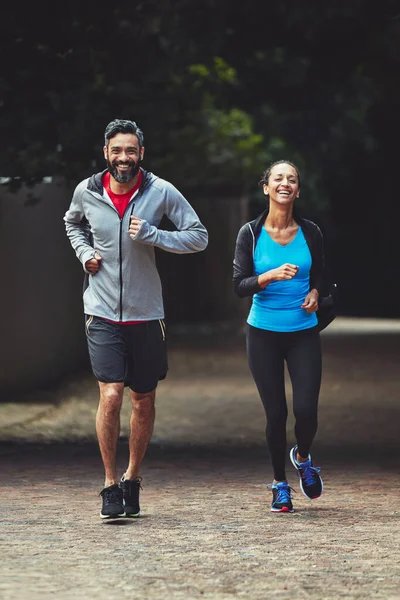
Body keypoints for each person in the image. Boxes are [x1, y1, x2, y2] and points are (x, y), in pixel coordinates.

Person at [64, 118, 208, 519]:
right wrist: (84, 253)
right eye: (116, 150)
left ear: (141, 154)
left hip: (147, 315)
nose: (123, 157)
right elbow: (72, 222)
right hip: (102, 311)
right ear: (105, 153)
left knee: (142, 400)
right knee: (110, 393)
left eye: (131, 150)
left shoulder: (160, 191)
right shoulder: (88, 191)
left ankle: (133, 477)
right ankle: (110, 484)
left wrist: (155, 236)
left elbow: (198, 236)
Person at [233, 160, 326, 513]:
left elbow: (322, 274)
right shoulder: (250, 234)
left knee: (306, 410)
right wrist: (269, 276)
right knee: (276, 413)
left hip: (303, 332)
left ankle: (302, 457)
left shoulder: (311, 232)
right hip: (263, 334)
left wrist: (316, 293)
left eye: (292, 179)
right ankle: (279, 484)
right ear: (266, 187)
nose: (285, 183)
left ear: (297, 191)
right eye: (278, 178)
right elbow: (239, 286)